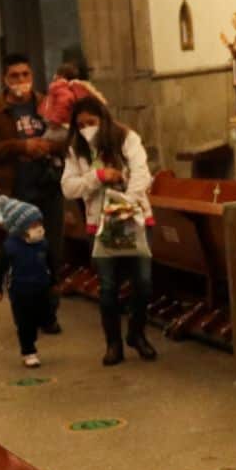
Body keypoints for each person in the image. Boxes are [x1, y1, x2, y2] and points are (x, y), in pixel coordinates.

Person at [0, 56, 64, 335]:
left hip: (48, 186)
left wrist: (49, 146)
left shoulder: (46, 104)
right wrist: (21, 147)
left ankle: (49, 313)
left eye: (25, 74)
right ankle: (26, 313)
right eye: (15, 75)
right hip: (17, 191)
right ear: (5, 79)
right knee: (24, 255)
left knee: (52, 253)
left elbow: (67, 136)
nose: (21, 80)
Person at [61, 96, 156, 366]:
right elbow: (69, 187)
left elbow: (142, 173)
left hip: (134, 219)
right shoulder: (75, 150)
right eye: (80, 125)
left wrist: (125, 202)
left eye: (91, 123)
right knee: (108, 286)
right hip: (98, 224)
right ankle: (113, 343)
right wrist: (97, 177)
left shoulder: (127, 138)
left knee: (144, 282)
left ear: (103, 119)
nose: (86, 129)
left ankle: (136, 334)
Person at [0, 191, 54, 369]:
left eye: (39, 223)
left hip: (42, 287)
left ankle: (44, 322)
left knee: (44, 315)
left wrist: (55, 281)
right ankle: (28, 351)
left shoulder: (43, 244)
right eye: (33, 224)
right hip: (20, 291)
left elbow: (51, 262)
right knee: (25, 323)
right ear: (19, 228)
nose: (38, 227)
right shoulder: (10, 248)